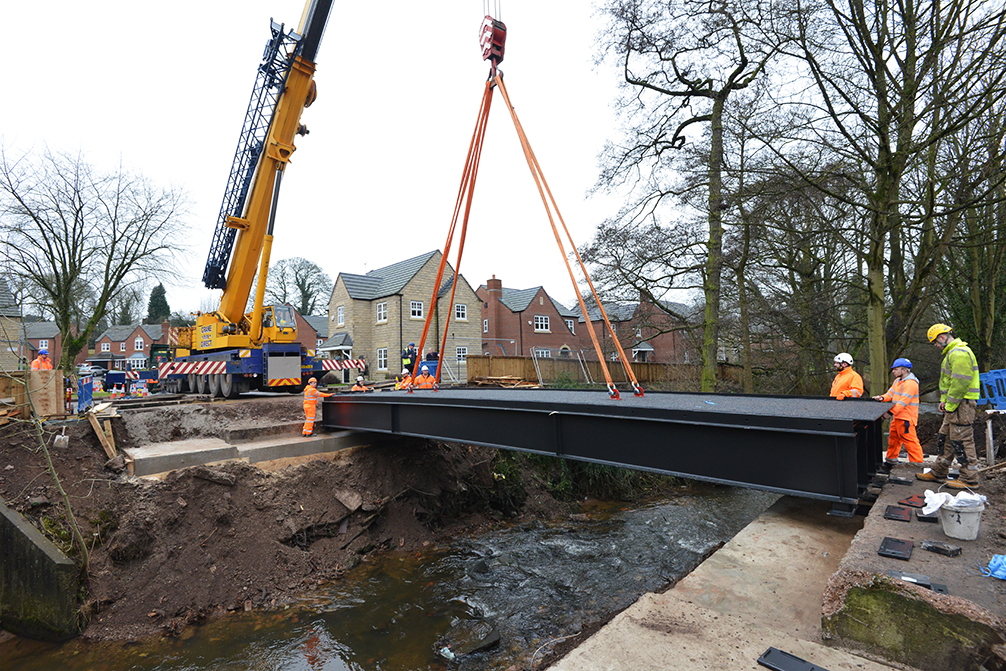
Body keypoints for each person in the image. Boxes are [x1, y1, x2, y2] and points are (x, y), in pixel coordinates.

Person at [917, 323, 981, 489]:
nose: (935, 345)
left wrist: (950, 405)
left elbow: (960, 383)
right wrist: (944, 401)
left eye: (935, 342)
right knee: (945, 437)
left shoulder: (958, 353)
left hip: (962, 404)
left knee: (962, 441)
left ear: (943, 337)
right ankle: (939, 471)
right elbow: (949, 382)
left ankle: (969, 478)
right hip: (956, 404)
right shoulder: (952, 353)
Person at [872, 358, 923, 464]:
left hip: (906, 417)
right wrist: (881, 398)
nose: (894, 371)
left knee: (910, 441)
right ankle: (891, 459)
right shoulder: (897, 381)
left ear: (904, 370)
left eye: (896, 369)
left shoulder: (911, 383)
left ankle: (917, 464)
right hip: (898, 416)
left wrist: (890, 413)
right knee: (894, 438)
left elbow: (904, 401)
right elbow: (890, 394)